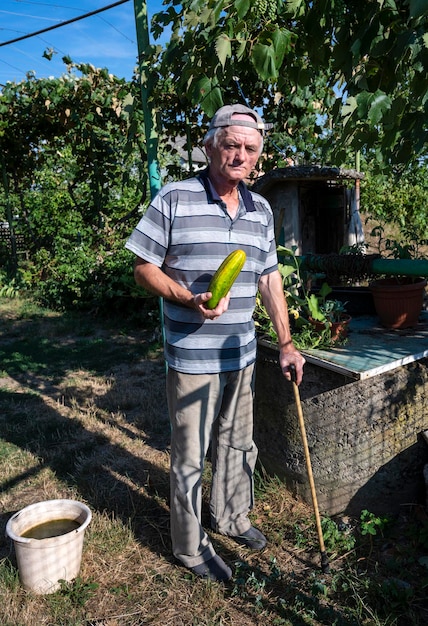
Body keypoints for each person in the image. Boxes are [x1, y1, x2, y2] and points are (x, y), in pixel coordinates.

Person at [125, 103, 305, 582]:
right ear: (210, 146)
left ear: (257, 156)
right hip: (191, 356)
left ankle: (230, 517)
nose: (240, 155)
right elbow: (144, 266)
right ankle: (188, 547)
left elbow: (269, 277)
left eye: (249, 148)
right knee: (189, 454)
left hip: (241, 353)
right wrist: (186, 296)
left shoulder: (260, 209)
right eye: (231, 145)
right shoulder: (175, 199)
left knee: (237, 442)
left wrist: (286, 343)